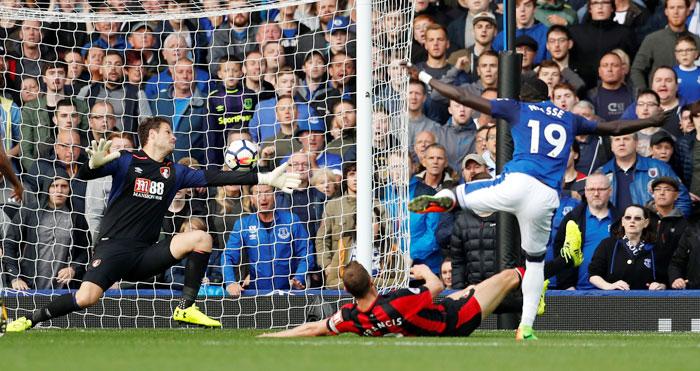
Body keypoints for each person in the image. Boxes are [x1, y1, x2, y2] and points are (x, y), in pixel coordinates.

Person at [404, 62, 668, 340]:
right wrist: (651, 121)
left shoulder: (517, 108)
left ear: (523, 94)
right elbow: (613, 126)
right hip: (546, 198)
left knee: (462, 193)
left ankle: (448, 199)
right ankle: (526, 327)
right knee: (535, 263)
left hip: (518, 182)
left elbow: (464, 97)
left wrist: (423, 76)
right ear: (547, 95)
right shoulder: (569, 118)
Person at [6, 116, 301, 332]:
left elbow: (215, 177)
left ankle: (186, 308)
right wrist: (92, 165)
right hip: (113, 251)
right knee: (86, 298)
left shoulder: (175, 172)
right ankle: (31, 319)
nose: (174, 137)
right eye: (168, 132)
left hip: (145, 255)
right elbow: (86, 175)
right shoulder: (125, 159)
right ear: (152, 136)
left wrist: (262, 178)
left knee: (200, 239)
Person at [258, 261, 524, 338]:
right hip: (455, 319)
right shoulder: (398, 300)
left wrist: (272, 336)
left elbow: (314, 327)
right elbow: (437, 286)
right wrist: (423, 271)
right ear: (372, 282)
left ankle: (531, 302)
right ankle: (555, 266)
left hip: (438, 315)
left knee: (475, 288)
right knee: (509, 277)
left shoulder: (353, 317)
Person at [223, 183, 311, 296]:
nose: (263, 198)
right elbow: (228, 256)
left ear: (275, 196)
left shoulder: (291, 220)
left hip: (288, 291)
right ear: (251, 199)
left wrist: (299, 277)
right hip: (256, 292)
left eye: (267, 192)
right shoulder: (243, 224)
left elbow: (306, 253)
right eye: (258, 193)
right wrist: (230, 282)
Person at [589, 205, 667, 290]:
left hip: (646, 301)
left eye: (637, 218)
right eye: (628, 217)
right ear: (622, 221)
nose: (632, 221)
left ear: (646, 223)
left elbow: (665, 280)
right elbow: (593, 275)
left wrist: (659, 286)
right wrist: (609, 286)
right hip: (613, 300)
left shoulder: (655, 248)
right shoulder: (607, 244)